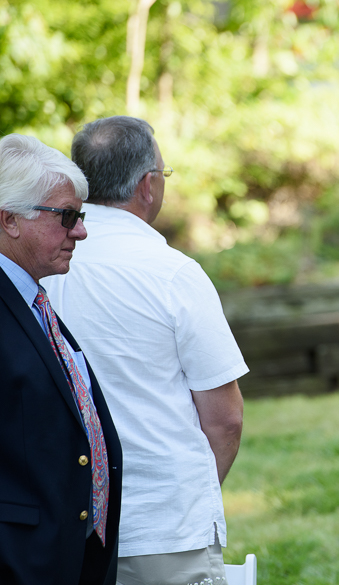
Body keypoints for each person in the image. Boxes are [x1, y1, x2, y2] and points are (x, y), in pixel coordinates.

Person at [42, 116, 248, 585]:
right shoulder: (174, 273)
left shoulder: (39, 269)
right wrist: (187, 500)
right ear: (148, 185)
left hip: (65, 527)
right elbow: (225, 418)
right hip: (166, 529)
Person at [0, 134, 123, 584]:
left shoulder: (33, 298)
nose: (81, 231)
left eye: (81, 215)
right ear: (10, 220)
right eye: (66, 217)